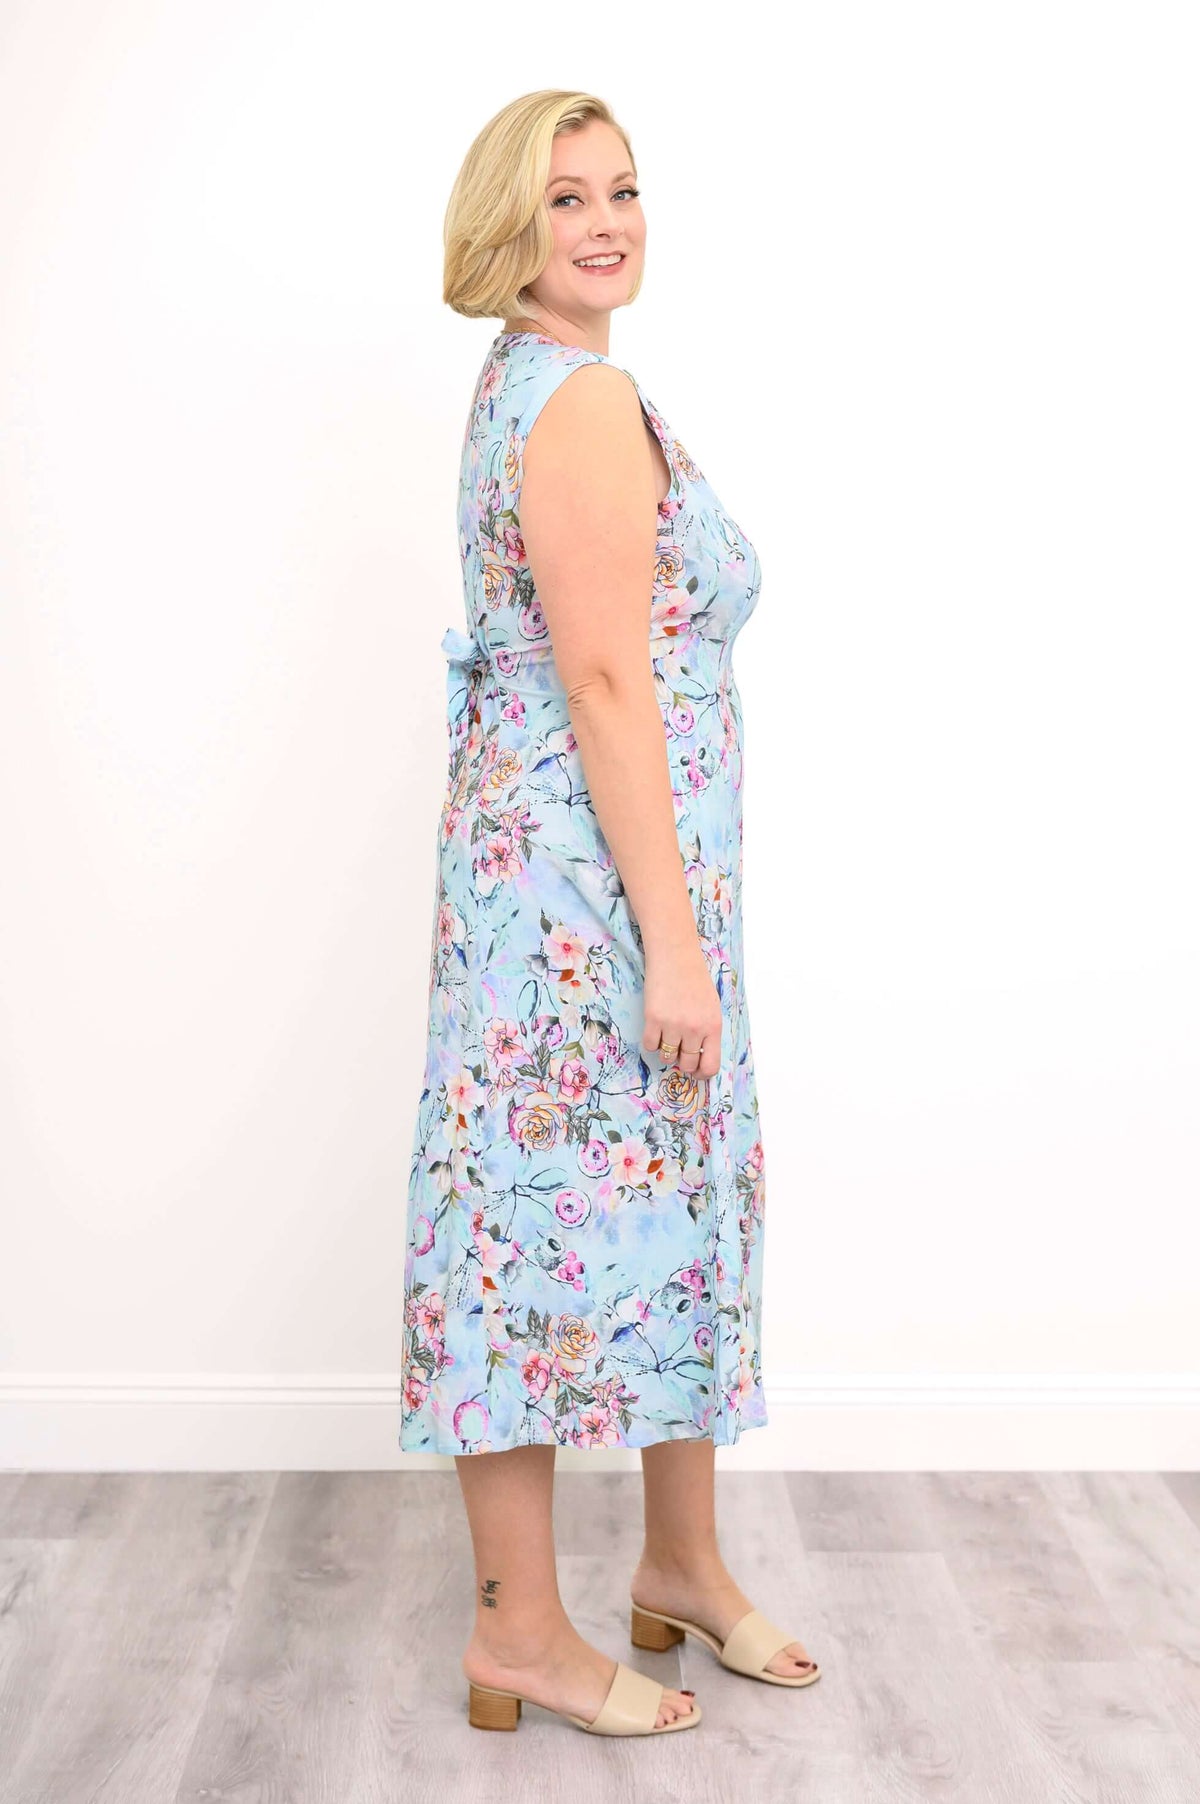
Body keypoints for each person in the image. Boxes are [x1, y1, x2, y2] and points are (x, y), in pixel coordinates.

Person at [400, 88, 819, 1738]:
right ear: (507, 227)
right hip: (586, 897)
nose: (606, 220)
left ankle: (683, 1568)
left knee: (661, 1205)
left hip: (588, 879)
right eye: (566, 195)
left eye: (624, 189)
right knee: (523, 1234)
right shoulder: (576, 401)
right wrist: (674, 937)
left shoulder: (548, 385)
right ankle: (518, 1633)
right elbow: (601, 678)